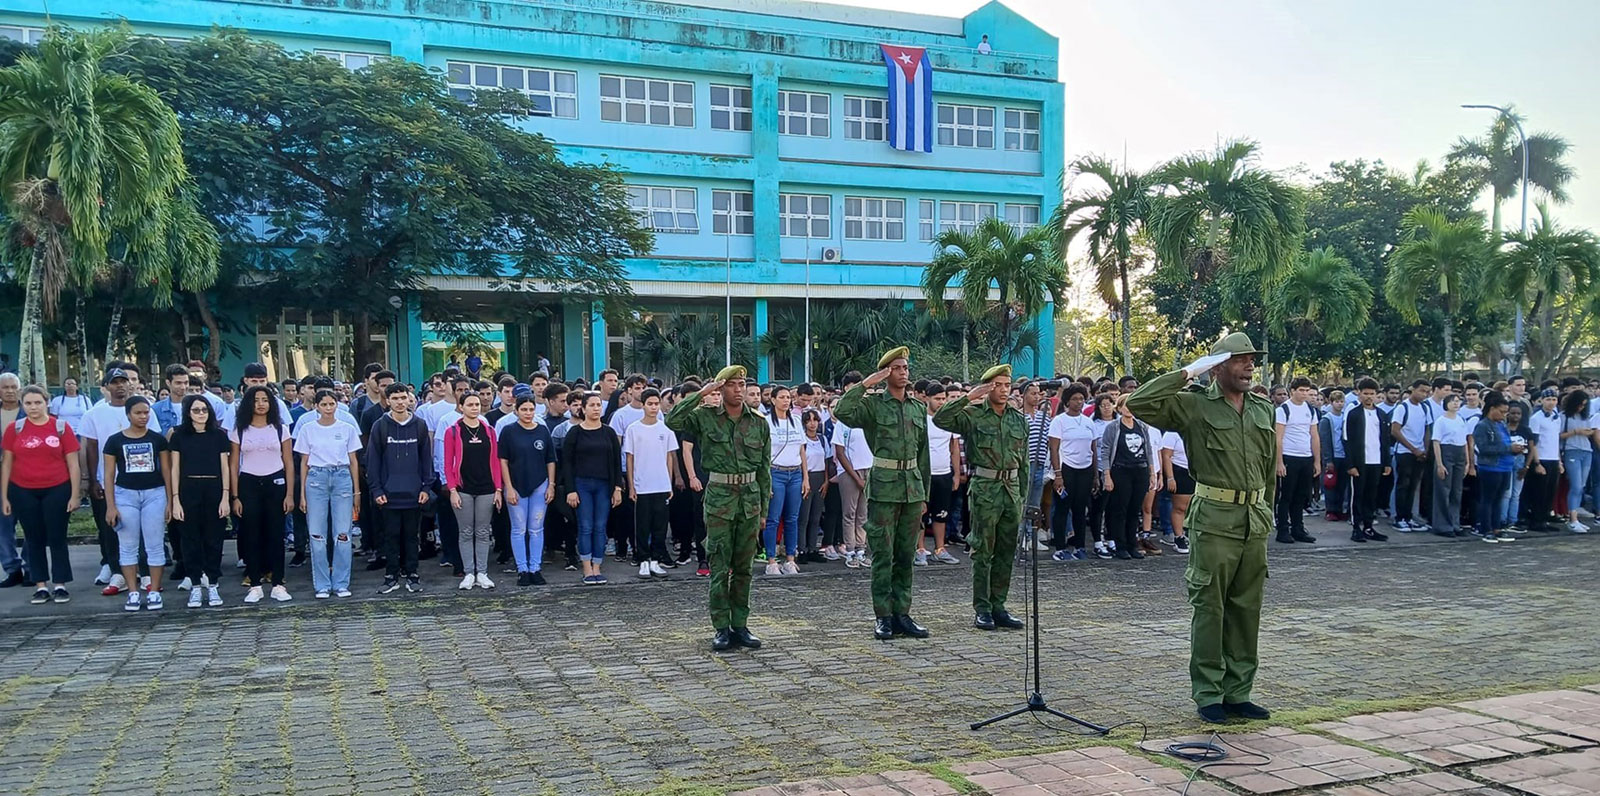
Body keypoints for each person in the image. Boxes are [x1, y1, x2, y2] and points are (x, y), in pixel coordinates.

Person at [1125, 332, 1275, 725]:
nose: (1249, 366)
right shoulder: (1193, 406)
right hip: (1214, 521)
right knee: (1210, 607)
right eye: (1240, 359)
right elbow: (1140, 402)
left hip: (1253, 522)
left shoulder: (1262, 408)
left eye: (1252, 359)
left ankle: (1238, 692)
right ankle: (1209, 692)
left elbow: (1267, 472)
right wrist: (1190, 372)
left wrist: (1267, 513)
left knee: (1247, 610)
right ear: (1219, 366)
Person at [664, 366, 770, 653]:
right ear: (721, 389)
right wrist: (702, 392)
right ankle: (721, 627)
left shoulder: (759, 422)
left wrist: (763, 511)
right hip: (720, 499)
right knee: (720, 565)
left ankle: (741, 624)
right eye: (732, 385)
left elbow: (764, 470)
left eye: (741, 385)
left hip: (749, 500)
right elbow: (673, 420)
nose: (738, 390)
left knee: (745, 567)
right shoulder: (704, 417)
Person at [835, 346, 932, 641]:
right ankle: (883, 616)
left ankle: (903, 613)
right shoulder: (873, 405)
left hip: (912, 488)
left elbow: (923, 454)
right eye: (897, 368)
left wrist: (924, 493)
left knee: (905, 555)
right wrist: (867, 383)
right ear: (886, 372)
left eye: (905, 368)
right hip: (884, 487)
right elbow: (842, 411)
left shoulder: (916, 408)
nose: (904, 372)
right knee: (883, 555)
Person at [933, 364, 1027, 631]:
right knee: (983, 550)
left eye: (1007, 385)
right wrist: (969, 396)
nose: (1003, 390)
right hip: (986, 488)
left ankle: (999, 605)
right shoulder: (973, 415)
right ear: (987, 388)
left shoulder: (1017, 418)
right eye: (997, 385)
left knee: (1007, 551)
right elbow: (941, 419)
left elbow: (1024, 463)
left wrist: (1024, 498)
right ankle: (982, 607)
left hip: (1011, 490)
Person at [78, 366, 161, 594]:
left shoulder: (144, 409)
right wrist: (91, 480)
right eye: (115, 382)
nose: (120, 386)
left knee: (142, 530)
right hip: (108, 482)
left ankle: (145, 573)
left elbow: (155, 442)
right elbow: (91, 448)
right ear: (105, 387)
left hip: (142, 483)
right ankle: (118, 572)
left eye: (124, 381)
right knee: (111, 529)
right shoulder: (94, 414)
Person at [2, 385, 80, 603]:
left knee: (57, 536)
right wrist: (5, 496)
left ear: (47, 402)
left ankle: (60, 584)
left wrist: (75, 495)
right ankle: (40, 585)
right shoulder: (14, 429)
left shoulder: (61, 427)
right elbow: (6, 464)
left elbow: (73, 464)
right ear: (22, 404)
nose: (33, 407)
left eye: (38, 402)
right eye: (28, 403)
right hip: (22, 490)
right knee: (32, 537)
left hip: (57, 487)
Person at [102, 396, 170, 612]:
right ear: (128, 414)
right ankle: (132, 591)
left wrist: (170, 500)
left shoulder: (157, 439)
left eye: (146, 412)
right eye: (138, 413)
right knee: (128, 545)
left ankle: (154, 590)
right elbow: (109, 474)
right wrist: (110, 505)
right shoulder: (114, 441)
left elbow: (166, 471)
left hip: (155, 494)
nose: (143, 417)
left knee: (155, 544)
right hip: (125, 495)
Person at [231, 385, 295, 604]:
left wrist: (289, 494)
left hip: (275, 482)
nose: (260, 404)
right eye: (256, 400)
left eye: (265, 400)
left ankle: (278, 583)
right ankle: (255, 584)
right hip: (248, 482)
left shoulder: (280, 429)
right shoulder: (240, 429)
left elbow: (288, 463)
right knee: (251, 534)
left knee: (276, 535)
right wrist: (235, 496)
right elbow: (233, 465)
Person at [368, 383, 434, 594]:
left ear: (409, 399)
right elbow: (373, 461)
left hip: (414, 494)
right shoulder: (380, 426)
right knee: (391, 536)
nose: (399, 402)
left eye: (403, 397)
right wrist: (377, 490)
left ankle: (412, 574)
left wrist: (426, 486)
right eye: (395, 398)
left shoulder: (420, 425)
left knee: (412, 537)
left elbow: (426, 460)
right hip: (388, 495)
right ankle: (391, 576)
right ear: (387, 401)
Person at [296, 389, 362, 598]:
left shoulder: (347, 428)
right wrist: (302, 495)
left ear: (337, 405)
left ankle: (341, 582)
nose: (328, 408)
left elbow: (353, 461)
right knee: (317, 534)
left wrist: (356, 491)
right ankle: (322, 584)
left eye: (331, 404)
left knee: (343, 533)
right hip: (316, 479)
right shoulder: (307, 429)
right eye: (323, 404)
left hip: (342, 478)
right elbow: (304, 463)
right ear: (316, 406)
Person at [168, 394, 231, 607]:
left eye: (204, 410)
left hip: (214, 488)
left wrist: (225, 497)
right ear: (188, 413)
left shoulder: (219, 436)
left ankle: (212, 584)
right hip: (188, 489)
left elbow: (225, 468)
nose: (201, 414)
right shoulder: (178, 436)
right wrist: (175, 500)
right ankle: (195, 585)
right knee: (190, 540)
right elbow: (174, 468)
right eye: (196, 410)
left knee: (214, 540)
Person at [561, 392, 623, 585]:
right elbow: (567, 463)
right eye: (592, 405)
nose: (596, 408)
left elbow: (615, 462)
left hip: (604, 484)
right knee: (585, 526)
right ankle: (587, 568)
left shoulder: (608, 432)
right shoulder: (575, 432)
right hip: (582, 484)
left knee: (600, 527)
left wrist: (617, 488)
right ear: (584, 408)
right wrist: (571, 489)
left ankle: (598, 566)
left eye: (598, 405)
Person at [443, 392, 502, 590]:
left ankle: (483, 572)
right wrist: (452, 489)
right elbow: (448, 463)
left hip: (486, 488)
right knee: (466, 531)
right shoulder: (453, 431)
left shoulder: (490, 431)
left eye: (477, 404)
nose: (475, 407)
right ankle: (469, 572)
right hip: (463, 488)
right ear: (461, 407)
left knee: (483, 532)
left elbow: (495, 462)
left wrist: (498, 488)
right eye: (470, 404)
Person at [498, 395, 554, 586]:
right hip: (516, 486)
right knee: (519, 529)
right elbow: (503, 461)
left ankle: (535, 568)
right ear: (516, 410)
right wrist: (508, 488)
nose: (528, 413)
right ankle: (522, 569)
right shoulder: (508, 431)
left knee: (536, 528)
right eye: (524, 410)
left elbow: (550, 460)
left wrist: (551, 485)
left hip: (539, 485)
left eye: (531, 410)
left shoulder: (542, 431)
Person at [623, 388, 679, 579]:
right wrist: (631, 485)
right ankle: (643, 560)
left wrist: (669, 483)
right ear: (643, 405)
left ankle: (656, 559)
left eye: (656, 404)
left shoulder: (666, 430)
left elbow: (669, 458)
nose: (654, 408)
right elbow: (629, 458)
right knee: (642, 525)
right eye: (650, 404)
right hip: (641, 485)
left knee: (660, 526)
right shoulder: (633, 429)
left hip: (661, 486)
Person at [1098, 395, 1160, 561]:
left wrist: (1152, 473)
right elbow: (1105, 451)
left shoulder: (1141, 426)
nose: (1128, 409)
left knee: (1135, 510)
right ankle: (1121, 546)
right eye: (1125, 405)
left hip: (1140, 470)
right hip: (1121, 470)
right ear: (1119, 408)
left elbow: (1148, 451)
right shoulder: (1113, 427)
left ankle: (1133, 544)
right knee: (1120, 510)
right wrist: (1107, 475)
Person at [1048, 383, 1098, 560]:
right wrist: (1058, 474)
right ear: (1067, 401)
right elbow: (1054, 449)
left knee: (1080, 509)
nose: (1079, 402)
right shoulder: (1059, 421)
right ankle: (1060, 548)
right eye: (1075, 399)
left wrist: (1095, 475)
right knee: (1062, 508)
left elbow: (1093, 448)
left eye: (1082, 399)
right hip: (1066, 468)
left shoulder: (1088, 422)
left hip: (1085, 469)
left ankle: (1080, 547)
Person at [760, 385, 806, 575]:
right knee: (772, 518)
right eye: (782, 397)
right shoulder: (765, 422)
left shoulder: (796, 420)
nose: (786, 401)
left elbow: (802, 450)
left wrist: (806, 477)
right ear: (773, 400)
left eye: (788, 397)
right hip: (775, 472)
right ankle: (771, 559)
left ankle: (790, 558)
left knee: (792, 518)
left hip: (795, 473)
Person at [1342, 378, 1393, 542]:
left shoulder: (1381, 414)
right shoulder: (1354, 414)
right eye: (1365, 393)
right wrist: (1350, 464)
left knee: (1372, 496)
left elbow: (1385, 440)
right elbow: (1347, 440)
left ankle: (1369, 526)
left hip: (1376, 461)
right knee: (1358, 495)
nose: (1369, 397)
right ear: (1359, 394)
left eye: (1372, 394)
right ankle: (1356, 527)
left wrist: (1386, 462)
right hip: (1359, 462)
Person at [832, 371, 873, 569]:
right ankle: (849, 551)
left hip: (869, 469)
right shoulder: (843, 421)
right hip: (850, 471)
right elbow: (839, 452)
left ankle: (861, 549)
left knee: (863, 514)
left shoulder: (869, 415)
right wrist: (856, 477)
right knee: (849, 512)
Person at [918, 383, 961, 566]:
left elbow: (954, 448)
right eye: (937, 399)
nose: (941, 402)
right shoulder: (921, 420)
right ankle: (919, 549)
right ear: (927, 398)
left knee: (941, 513)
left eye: (943, 398)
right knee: (920, 514)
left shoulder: (949, 420)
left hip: (944, 473)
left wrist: (956, 474)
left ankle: (939, 548)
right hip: (925, 474)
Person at [1273, 378, 1320, 544]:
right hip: (1289, 457)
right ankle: (1283, 529)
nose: (1304, 394)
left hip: (1306, 457)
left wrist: (1317, 461)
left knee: (1301, 495)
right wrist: (1279, 462)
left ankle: (1298, 528)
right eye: (1301, 390)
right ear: (1292, 391)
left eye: (1307, 391)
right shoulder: (1284, 410)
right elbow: (1278, 438)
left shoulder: (1311, 410)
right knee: (1286, 496)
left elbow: (1314, 436)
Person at [1472, 393, 1522, 543]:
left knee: (1499, 499)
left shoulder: (1501, 425)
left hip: (1506, 467)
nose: (1504, 415)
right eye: (1501, 411)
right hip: (1490, 467)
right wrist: (1508, 448)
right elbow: (1484, 447)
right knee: (1488, 499)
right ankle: (1486, 529)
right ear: (1492, 408)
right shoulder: (1482, 425)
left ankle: (1497, 527)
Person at [1389, 380, 1434, 532]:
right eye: (1422, 391)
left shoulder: (1424, 408)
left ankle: (1408, 517)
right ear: (1413, 390)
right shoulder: (1403, 407)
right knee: (1403, 485)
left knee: (1413, 486)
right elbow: (1395, 430)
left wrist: (1425, 450)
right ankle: (1399, 518)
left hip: (1420, 452)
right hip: (1404, 452)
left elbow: (1427, 429)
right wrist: (1413, 449)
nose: (1424, 394)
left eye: (1427, 392)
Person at [1430, 394, 1470, 538]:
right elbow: (1436, 442)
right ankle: (1442, 525)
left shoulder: (1461, 419)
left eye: (1458, 401)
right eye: (1453, 401)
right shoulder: (1441, 421)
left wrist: (1467, 462)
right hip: (1446, 452)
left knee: (1456, 491)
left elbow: (1465, 440)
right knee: (1443, 490)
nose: (1456, 404)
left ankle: (1455, 523)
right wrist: (1440, 464)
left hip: (1459, 453)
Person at [797, 408, 834, 563]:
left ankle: (813, 547)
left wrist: (826, 481)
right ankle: (802, 548)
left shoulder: (822, 439)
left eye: (815, 420)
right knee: (804, 516)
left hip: (820, 477)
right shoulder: (802, 440)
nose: (812, 424)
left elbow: (826, 461)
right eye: (809, 421)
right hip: (807, 477)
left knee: (816, 516)